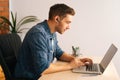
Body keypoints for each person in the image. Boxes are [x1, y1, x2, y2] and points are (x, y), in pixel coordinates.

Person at [14, 3, 93, 80]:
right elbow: (43, 69)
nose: (69, 27)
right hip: (29, 77)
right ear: (57, 19)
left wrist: (76, 60)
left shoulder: (51, 32)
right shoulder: (38, 34)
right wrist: (70, 66)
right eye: (67, 22)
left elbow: (59, 53)